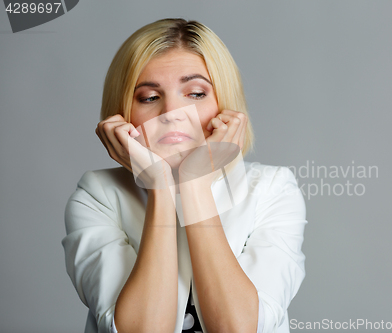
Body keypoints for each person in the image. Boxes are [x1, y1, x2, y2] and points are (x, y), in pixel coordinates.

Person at [62, 18, 307, 333]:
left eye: (195, 93)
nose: (171, 114)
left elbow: (239, 328)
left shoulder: (273, 189)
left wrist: (194, 184)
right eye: (150, 98)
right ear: (123, 115)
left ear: (224, 105)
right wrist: (161, 185)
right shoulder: (97, 195)